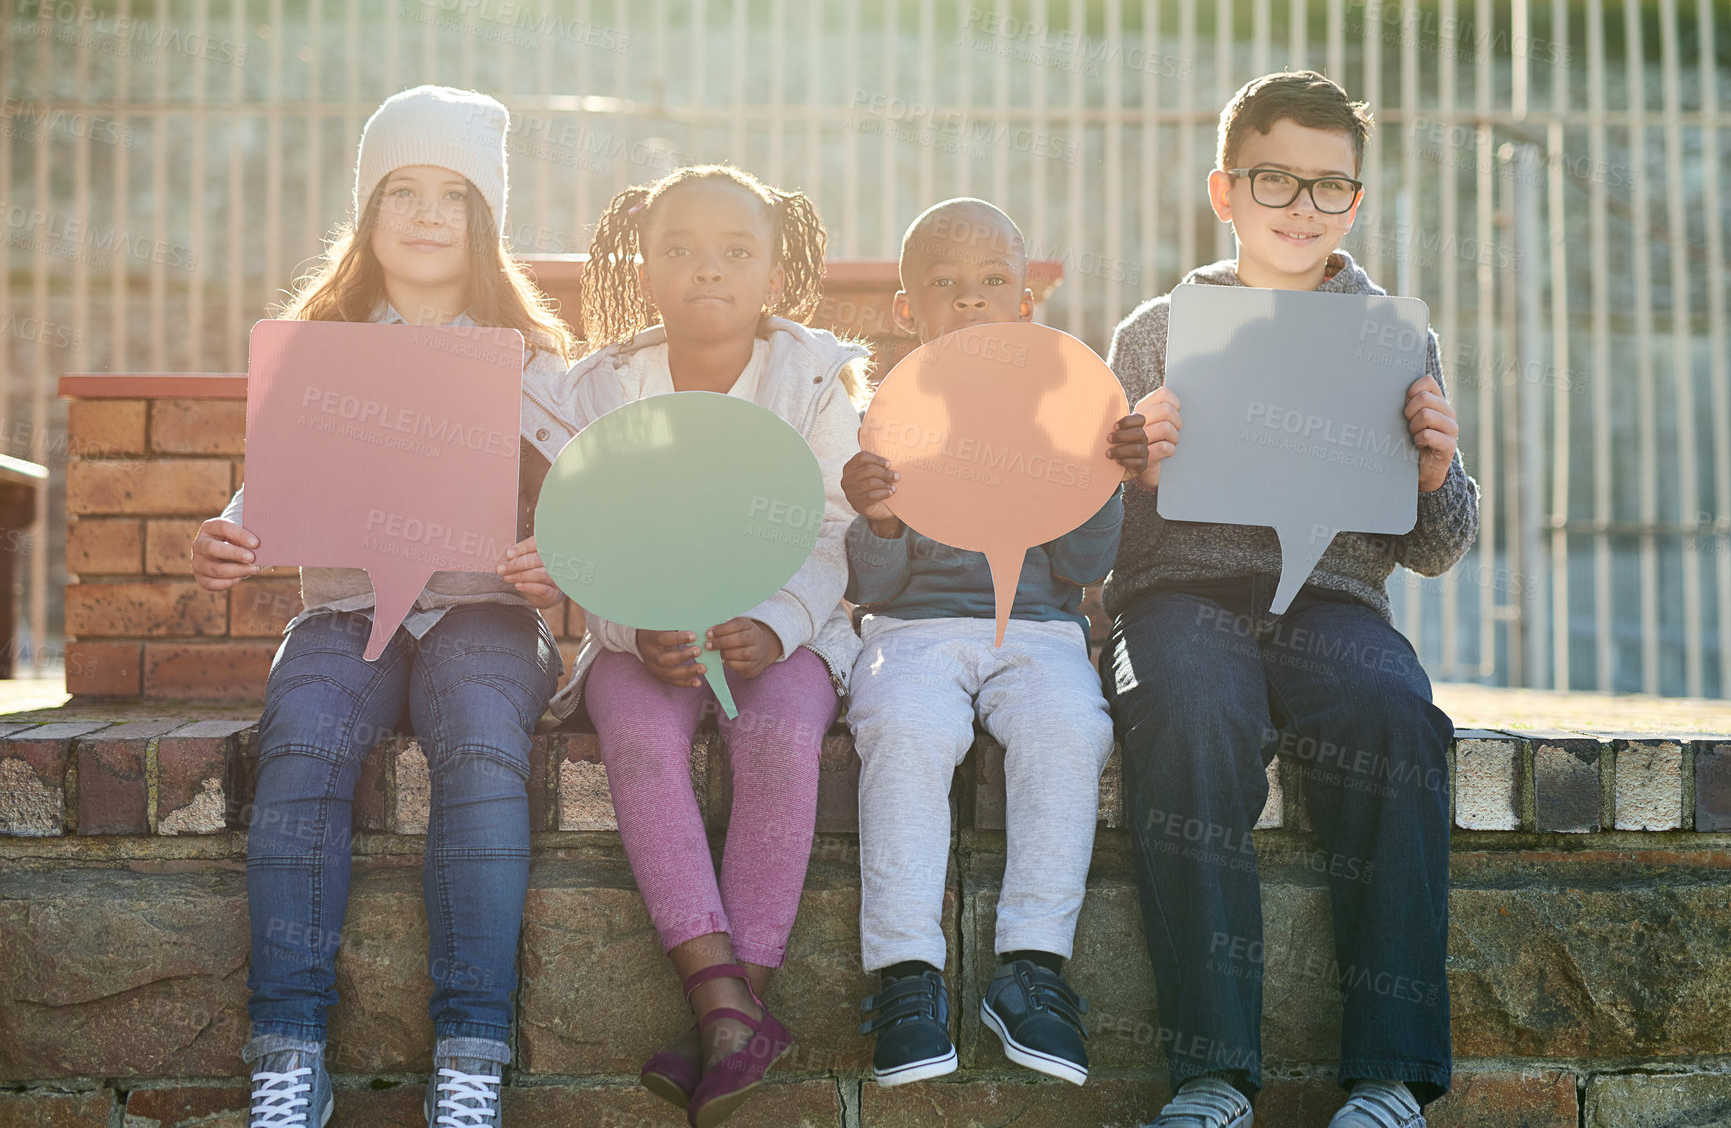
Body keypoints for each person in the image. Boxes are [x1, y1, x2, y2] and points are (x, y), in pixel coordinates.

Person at [191, 84, 578, 1128]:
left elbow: (585, 506)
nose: (424, 214)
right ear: (366, 213)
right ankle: (287, 1049)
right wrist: (227, 530)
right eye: (399, 190)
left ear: (484, 220)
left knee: (483, 745)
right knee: (304, 741)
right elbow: (266, 488)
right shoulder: (319, 348)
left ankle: (470, 1055)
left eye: (451, 195)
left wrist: (561, 566)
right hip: (342, 615)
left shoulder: (532, 361)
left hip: (484, 615)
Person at [1105, 71, 1479, 1128]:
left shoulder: (1389, 335)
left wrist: (1434, 474)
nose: (1303, 208)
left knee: (1396, 717)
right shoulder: (1154, 331)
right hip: (1178, 597)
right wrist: (1131, 469)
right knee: (1190, 713)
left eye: (1332, 188)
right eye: (1277, 179)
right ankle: (1212, 1074)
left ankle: (1392, 1077)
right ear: (1225, 190)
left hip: (1332, 603)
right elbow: (1089, 539)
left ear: (1356, 201)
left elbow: (1441, 549)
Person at [508, 164, 867, 1128]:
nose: (707, 270)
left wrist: (780, 622)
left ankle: (724, 1013)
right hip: (646, 630)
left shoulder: (817, 379)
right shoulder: (601, 389)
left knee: (779, 740)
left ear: (775, 275)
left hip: (779, 629)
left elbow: (835, 527)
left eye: (735, 252)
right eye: (679, 251)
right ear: (645, 268)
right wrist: (628, 624)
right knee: (635, 734)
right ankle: (727, 1005)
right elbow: (584, 533)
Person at [842, 198, 1149, 1090]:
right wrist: (880, 517)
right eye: (942, 285)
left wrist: (1102, 481)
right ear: (907, 309)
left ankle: (1031, 964)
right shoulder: (891, 413)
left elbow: (1088, 565)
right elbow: (872, 587)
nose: (967, 301)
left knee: (1067, 727)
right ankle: (904, 975)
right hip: (913, 630)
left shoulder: (1062, 405)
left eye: (990, 283)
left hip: (1041, 632)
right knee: (903, 729)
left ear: (1024, 302)